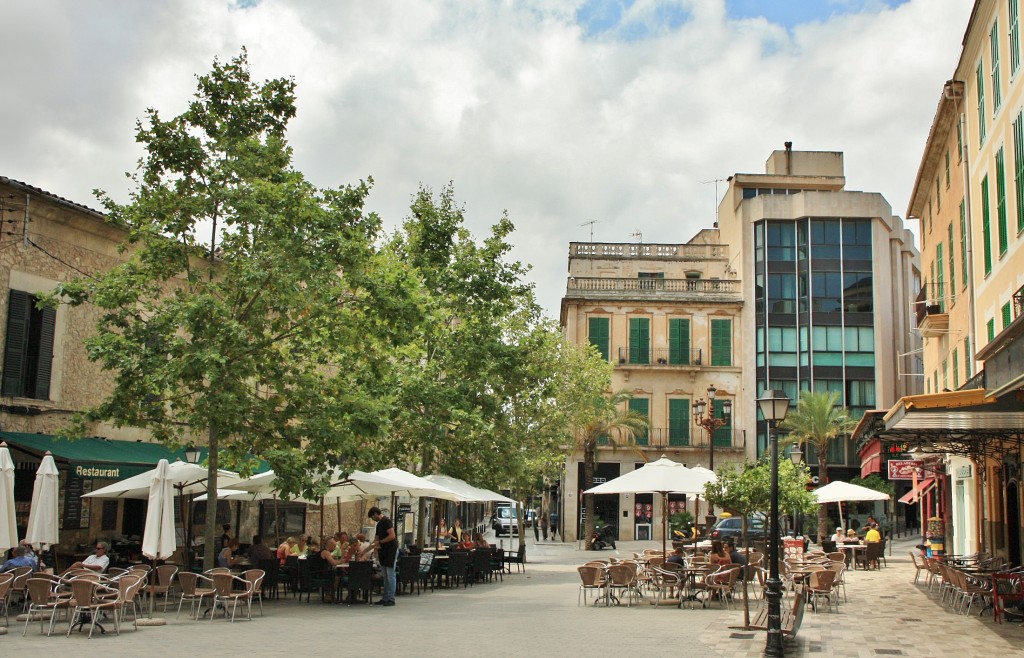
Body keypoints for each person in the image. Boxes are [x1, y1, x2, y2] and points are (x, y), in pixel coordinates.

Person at [366, 506, 397, 607]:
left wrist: (381, 542)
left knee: (390, 574)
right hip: (383, 551)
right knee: (385, 575)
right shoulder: (379, 524)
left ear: (375, 514)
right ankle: (385, 597)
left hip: (390, 550)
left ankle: (391, 598)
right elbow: (376, 540)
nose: (373, 519)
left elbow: (392, 535)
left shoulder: (386, 521)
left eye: (372, 517)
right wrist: (366, 551)